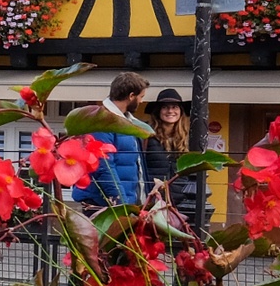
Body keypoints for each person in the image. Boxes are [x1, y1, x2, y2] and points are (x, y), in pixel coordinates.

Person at [70, 71, 148, 206]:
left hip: (123, 202)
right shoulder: (102, 121)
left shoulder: (127, 121)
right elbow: (103, 167)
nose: (141, 101)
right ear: (131, 96)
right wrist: (120, 203)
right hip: (104, 204)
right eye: (141, 97)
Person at [139, 87, 198, 211]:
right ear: (158, 111)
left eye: (175, 107)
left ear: (181, 111)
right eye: (165, 107)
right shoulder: (146, 136)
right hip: (153, 199)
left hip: (182, 202)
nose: (170, 111)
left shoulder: (190, 138)